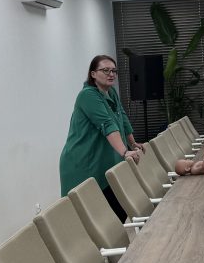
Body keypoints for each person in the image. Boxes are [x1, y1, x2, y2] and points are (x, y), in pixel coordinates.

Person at [59, 54, 146, 222]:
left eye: (114, 71)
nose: (111, 74)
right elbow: (107, 124)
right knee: (93, 218)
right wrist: (125, 152)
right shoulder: (87, 95)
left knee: (118, 212)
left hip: (103, 160)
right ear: (93, 74)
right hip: (83, 162)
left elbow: (122, 117)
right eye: (105, 70)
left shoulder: (111, 92)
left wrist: (132, 143)